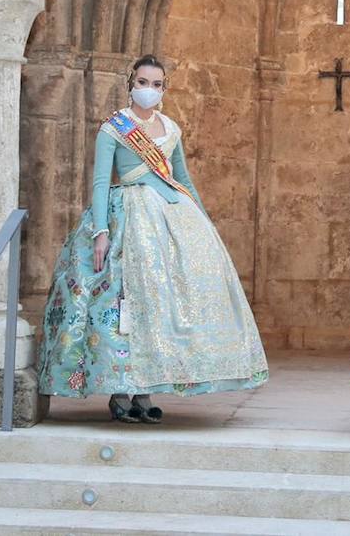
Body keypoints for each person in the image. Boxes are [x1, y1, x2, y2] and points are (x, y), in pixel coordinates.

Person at [36, 55, 268, 421]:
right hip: (128, 216)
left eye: (157, 84)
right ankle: (119, 392)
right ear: (131, 84)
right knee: (122, 305)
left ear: (164, 89)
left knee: (160, 308)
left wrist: (204, 224)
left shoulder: (171, 128)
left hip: (171, 217)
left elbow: (183, 179)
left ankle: (145, 393)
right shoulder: (114, 128)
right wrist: (101, 232)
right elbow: (100, 182)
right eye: (143, 82)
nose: (149, 90)